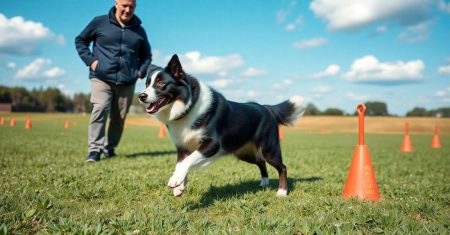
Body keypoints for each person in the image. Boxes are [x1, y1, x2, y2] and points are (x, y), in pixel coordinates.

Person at [75, 0, 151, 162]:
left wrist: (140, 72)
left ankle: (109, 148)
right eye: (124, 5)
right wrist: (93, 62)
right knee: (100, 108)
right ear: (116, 3)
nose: (127, 10)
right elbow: (80, 41)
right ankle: (94, 150)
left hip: (127, 82)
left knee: (119, 118)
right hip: (101, 78)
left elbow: (147, 56)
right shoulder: (99, 22)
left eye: (131, 6)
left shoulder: (139, 31)